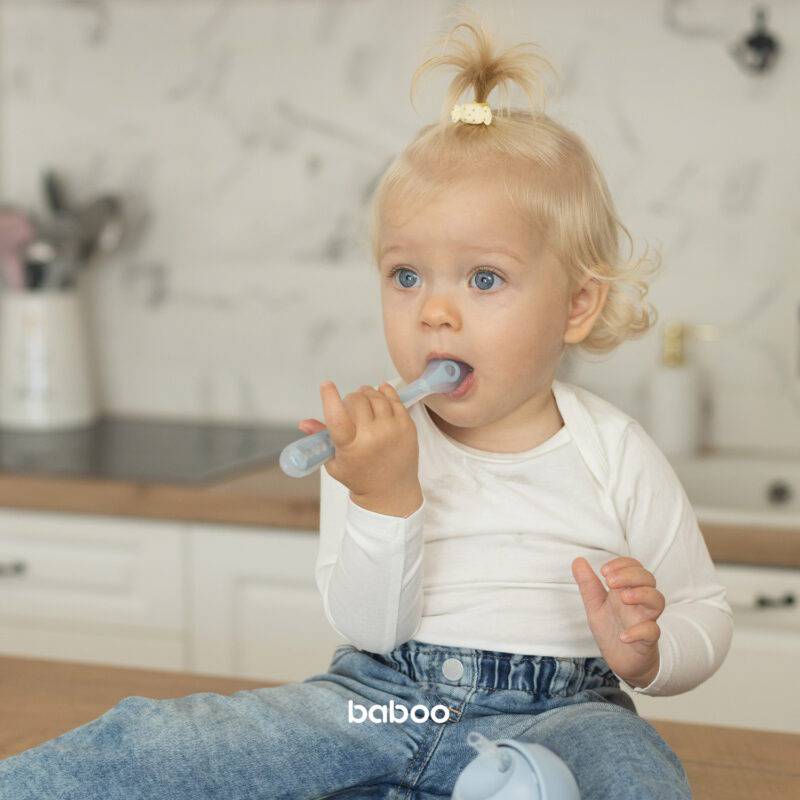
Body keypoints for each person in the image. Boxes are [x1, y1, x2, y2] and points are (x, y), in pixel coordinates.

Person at [0, 11, 732, 800]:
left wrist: (650, 653)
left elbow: (704, 610)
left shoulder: (614, 451)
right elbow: (369, 629)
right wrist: (384, 499)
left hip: (566, 716)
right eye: (406, 276)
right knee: (170, 743)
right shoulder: (371, 448)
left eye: (484, 278)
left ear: (577, 306)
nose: (434, 312)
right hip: (380, 704)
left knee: (633, 769)